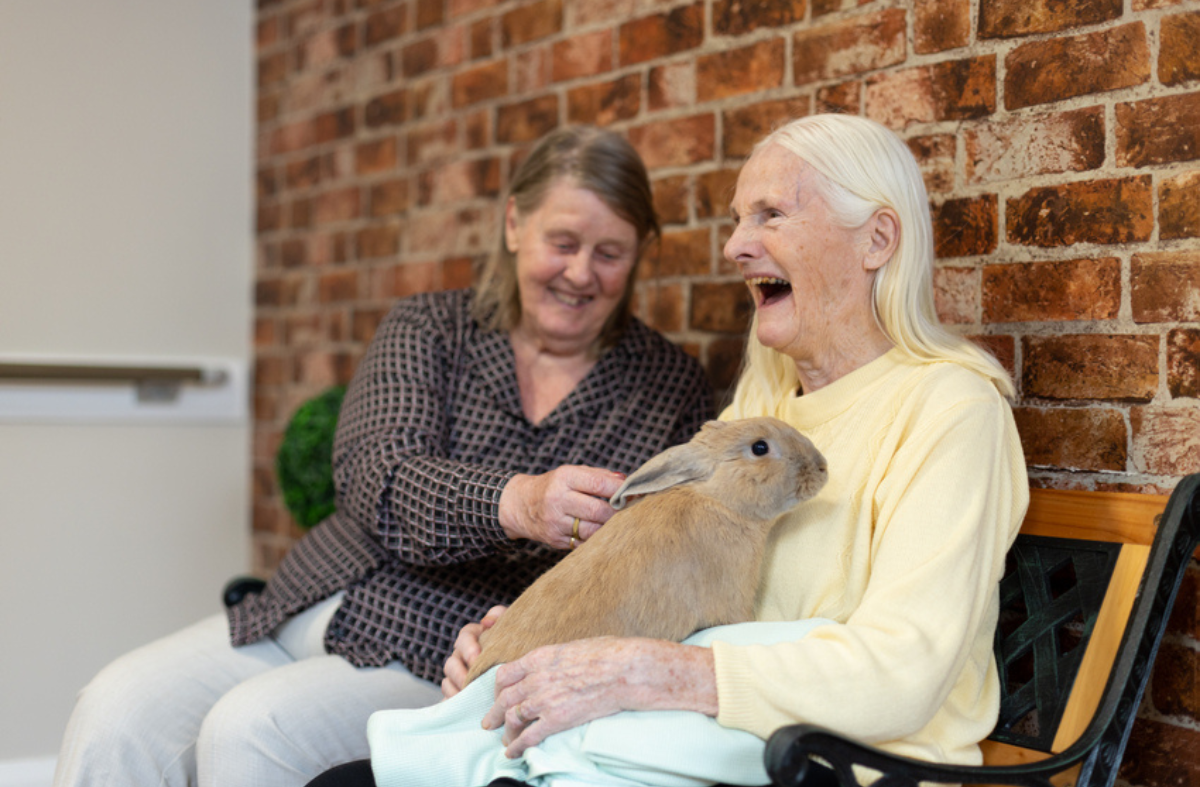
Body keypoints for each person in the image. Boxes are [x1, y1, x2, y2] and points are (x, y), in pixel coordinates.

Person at [308, 112, 1029, 787]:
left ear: (876, 240)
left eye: (770, 214)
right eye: (738, 219)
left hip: (835, 765)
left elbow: (903, 671)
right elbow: (659, 578)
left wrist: (657, 674)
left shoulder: (954, 408)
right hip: (707, 742)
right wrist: (527, 641)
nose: (734, 246)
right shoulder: (767, 397)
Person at [52, 125, 714, 787]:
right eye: (562, 243)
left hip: (441, 645)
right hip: (308, 603)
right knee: (114, 709)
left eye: (609, 253)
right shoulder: (428, 326)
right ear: (514, 223)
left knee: (251, 729)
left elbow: (645, 565)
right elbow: (377, 476)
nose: (580, 273)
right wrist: (520, 502)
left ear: (639, 255)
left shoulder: (668, 389)